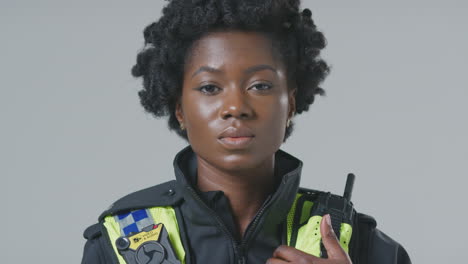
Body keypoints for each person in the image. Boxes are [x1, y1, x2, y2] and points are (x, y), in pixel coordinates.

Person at [81, 0, 411, 263]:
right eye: (210, 87)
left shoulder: (359, 243)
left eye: (260, 85)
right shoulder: (118, 243)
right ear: (179, 109)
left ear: (291, 104)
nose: (235, 106)